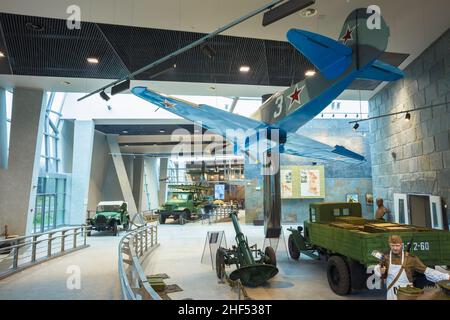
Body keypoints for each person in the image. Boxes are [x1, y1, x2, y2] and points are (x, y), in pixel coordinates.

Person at [374, 235, 449, 300]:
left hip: (407, 292)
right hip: (391, 292)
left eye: (397, 245)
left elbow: (426, 270)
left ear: (401, 245)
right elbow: (379, 268)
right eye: (392, 246)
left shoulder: (411, 259)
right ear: (389, 245)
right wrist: (380, 271)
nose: (395, 248)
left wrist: (446, 276)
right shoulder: (385, 257)